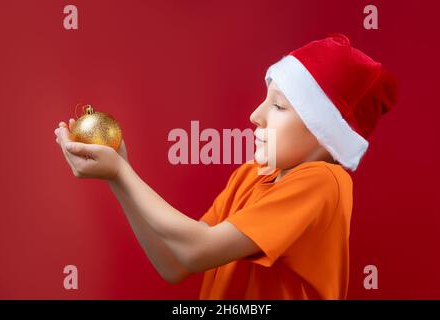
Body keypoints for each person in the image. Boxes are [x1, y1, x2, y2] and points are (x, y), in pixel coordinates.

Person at [54, 33, 397, 299]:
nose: (255, 116)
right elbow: (174, 263)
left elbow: (196, 249)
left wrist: (121, 173)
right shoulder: (252, 174)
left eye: (278, 107)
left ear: (324, 131)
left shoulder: (324, 182)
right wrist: (118, 177)